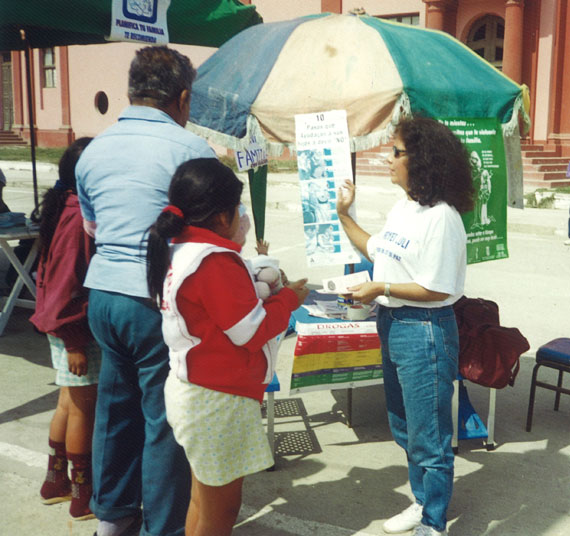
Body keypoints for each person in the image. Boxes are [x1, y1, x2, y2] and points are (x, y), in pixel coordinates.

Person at [75, 46, 216, 536]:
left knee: (115, 409)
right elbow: (215, 233)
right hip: (155, 299)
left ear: (131, 92)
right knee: (164, 420)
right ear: (181, 98)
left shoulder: (94, 149)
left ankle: (111, 520)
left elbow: (92, 230)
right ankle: (162, 527)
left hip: (105, 298)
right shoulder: (191, 150)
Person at [146, 158, 309, 536]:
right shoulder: (215, 261)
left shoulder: (181, 249)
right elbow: (250, 333)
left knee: (202, 500)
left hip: (196, 390)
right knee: (221, 510)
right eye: (238, 208)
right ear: (222, 217)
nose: (241, 216)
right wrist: (289, 300)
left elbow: (223, 315)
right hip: (216, 401)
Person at [336, 117, 475, 536]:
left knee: (429, 436)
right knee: (404, 424)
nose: (388, 158)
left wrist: (381, 286)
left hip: (424, 329)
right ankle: (422, 501)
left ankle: (433, 523)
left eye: (396, 152)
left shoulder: (443, 219)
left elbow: (438, 289)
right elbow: (374, 247)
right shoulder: (405, 208)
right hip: (393, 324)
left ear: (422, 160)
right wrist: (344, 215)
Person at [29, 137, 100, 521]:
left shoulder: (67, 206)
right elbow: (66, 285)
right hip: (73, 330)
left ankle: (55, 482)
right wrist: (74, 342)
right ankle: (82, 494)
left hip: (62, 327)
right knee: (83, 411)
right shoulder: (77, 218)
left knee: (68, 404)